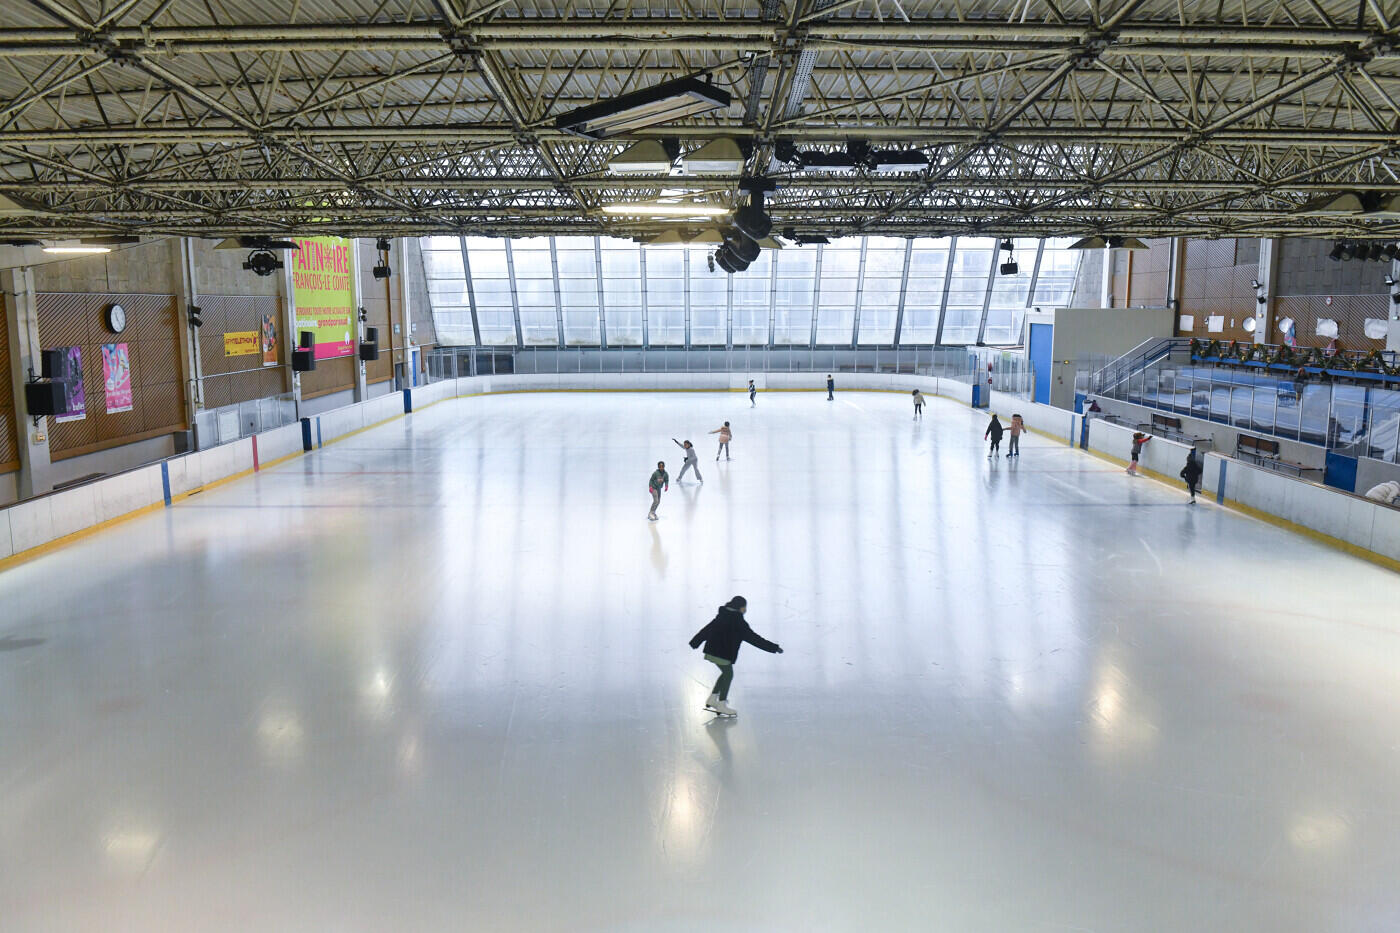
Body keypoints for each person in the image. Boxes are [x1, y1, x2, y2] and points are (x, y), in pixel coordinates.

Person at [688, 596, 782, 717]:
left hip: (712, 651)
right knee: (728, 674)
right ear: (741, 608)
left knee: (725, 673)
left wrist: (695, 642)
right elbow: (755, 639)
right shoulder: (739, 623)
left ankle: (712, 699)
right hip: (722, 653)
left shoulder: (722, 615)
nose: (746, 609)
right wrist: (774, 648)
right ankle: (721, 704)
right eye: (745, 607)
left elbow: (707, 629)